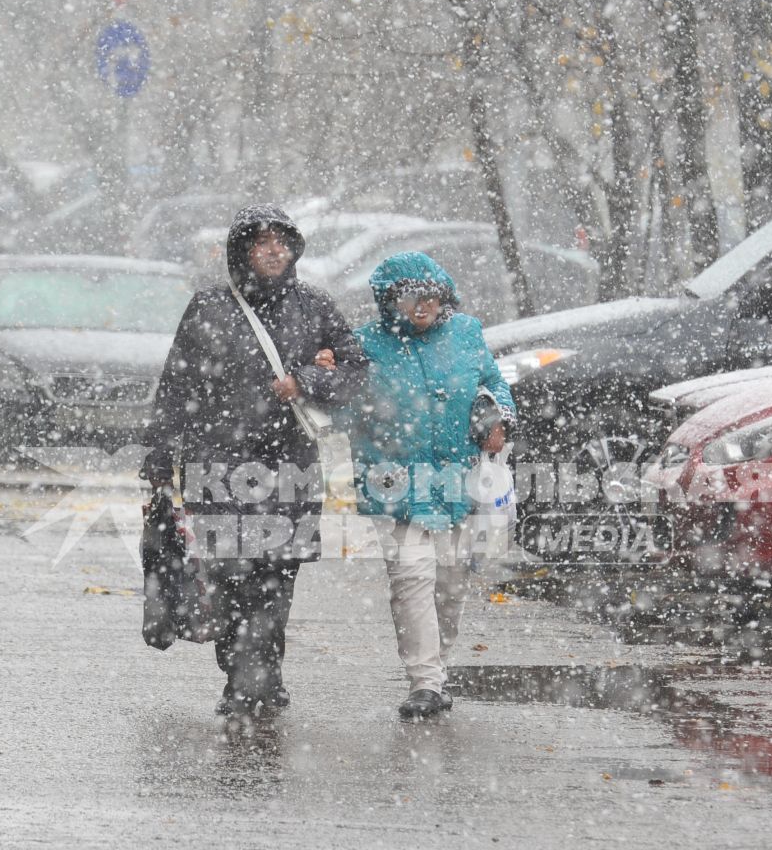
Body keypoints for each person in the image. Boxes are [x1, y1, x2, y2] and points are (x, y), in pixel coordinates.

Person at [141, 204, 367, 718]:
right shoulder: (209, 307)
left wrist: (307, 381)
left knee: (276, 573)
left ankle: (256, 675)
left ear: (293, 250)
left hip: (289, 463)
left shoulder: (314, 307)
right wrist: (159, 455)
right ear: (241, 250)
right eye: (261, 241)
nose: (272, 250)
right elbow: (177, 386)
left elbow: (355, 370)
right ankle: (247, 669)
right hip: (216, 464)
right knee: (228, 574)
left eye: (280, 242)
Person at [347, 252, 514, 719]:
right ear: (389, 300)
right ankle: (424, 681)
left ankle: (438, 669)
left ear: (444, 294)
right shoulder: (364, 344)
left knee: (450, 582)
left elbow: (495, 385)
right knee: (411, 577)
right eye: (408, 296)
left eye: (429, 294)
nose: (421, 305)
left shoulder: (466, 333)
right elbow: (336, 395)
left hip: (459, 481)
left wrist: (500, 418)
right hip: (398, 482)